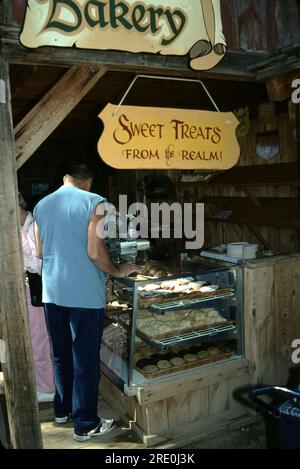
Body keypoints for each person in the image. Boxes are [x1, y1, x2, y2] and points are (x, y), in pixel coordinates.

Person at [33, 162, 138, 442]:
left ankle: (62, 410)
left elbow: (41, 250)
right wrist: (116, 270)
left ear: (64, 177)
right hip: (83, 295)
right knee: (85, 358)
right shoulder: (95, 202)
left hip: (52, 293)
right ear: (88, 181)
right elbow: (94, 250)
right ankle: (86, 424)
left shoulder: (41, 205)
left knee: (61, 353)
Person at [18, 192, 55, 403]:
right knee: (39, 337)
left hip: (36, 288)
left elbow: (42, 261)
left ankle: (46, 388)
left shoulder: (35, 226)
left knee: (38, 338)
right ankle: (46, 382)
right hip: (26, 288)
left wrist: (23, 261)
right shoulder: (20, 227)